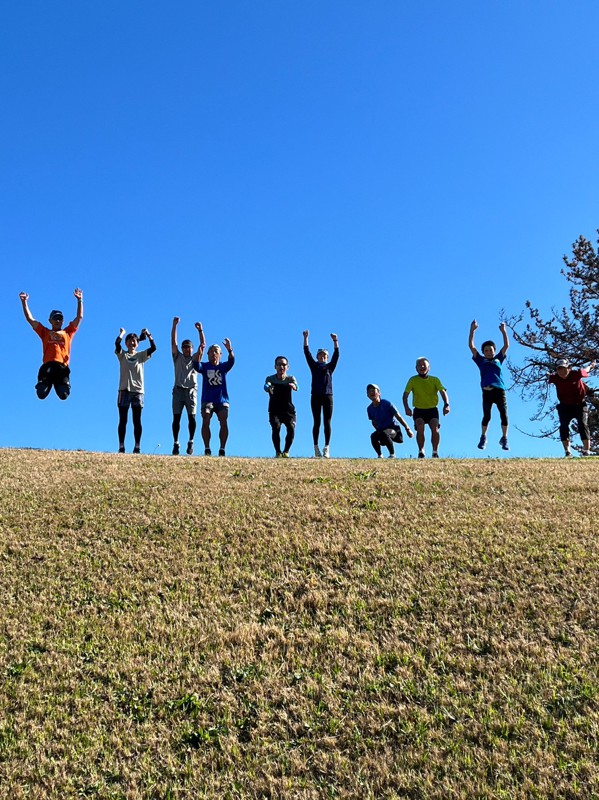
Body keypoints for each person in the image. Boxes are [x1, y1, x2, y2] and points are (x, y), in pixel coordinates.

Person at [19, 289, 83, 400]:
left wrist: (80, 300)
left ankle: (59, 383)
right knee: (41, 394)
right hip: (47, 366)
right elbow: (30, 319)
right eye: (55, 319)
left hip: (61, 367)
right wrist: (24, 302)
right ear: (50, 321)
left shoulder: (68, 332)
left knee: (64, 395)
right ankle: (46, 382)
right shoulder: (45, 332)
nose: (58, 321)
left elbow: (79, 317)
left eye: (60, 319)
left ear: (63, 321)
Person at [469, 320, 510, 451]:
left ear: (494, 350)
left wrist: (504, 331)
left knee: (503, 414)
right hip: (487, 391)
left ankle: (504, 438)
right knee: (487, 415)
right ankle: (483, 437)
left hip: (500, 390)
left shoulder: (498, 358)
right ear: (483, 352)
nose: (488, 352)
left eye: (490, 350)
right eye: (486, 350)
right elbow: (471, 346)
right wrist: (472, 330)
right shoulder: (481, 360)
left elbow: (506, 345)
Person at [115, 327, 156, 453]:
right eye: (130, 341)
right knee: (123, 420)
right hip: (124, 390)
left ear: (137, 344)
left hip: (138, 391)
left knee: (137, 420)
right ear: (126, 343)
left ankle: (137, 446)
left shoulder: (141, 355)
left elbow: (153, 348)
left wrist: (149, 335)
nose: (132, 343)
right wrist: (122, 334)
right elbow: (117, 344)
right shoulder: (122, 355)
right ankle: (121, 446)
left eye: (134, 341)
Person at [193, 338, 235, 456]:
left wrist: (230, 350)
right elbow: (196, 365)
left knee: (223, 419)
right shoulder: (205, 366)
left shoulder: (223, 367)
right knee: (206, 417)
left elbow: (231, 362)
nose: (213, 354)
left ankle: (222, 448)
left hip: (221, 400)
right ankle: (207, 448)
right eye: (211, 351)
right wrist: (199, 351)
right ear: (208, 354)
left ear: (220, 354)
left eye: (216, 351)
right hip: (207, 399)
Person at [403, 357, 450, 459]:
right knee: (420, 427)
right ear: (416, 368)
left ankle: (435, 452)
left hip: (432, 410)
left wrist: (446, 405)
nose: (422, 367)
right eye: (419, 365)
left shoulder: (435, 380)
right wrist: (406, 408)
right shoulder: (413, 380)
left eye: (424, 365)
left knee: (435, 428)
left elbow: (443, 392)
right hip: (419, 410)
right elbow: (405, 395)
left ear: (428, 368)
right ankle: (421, 451)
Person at [548, 357, 596, 457]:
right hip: (565, 406)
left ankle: (586, 451)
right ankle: (567, 451)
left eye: (564, 369)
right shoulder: (554, 378)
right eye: (559, 369)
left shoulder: (576, 374)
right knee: (564, 426)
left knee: (583, 425)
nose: (561, 372)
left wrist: (591, 365)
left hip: (580, 404)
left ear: (569, 368)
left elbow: (586, 370)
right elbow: (550, 376)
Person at [303, 330, 339, 458]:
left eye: (324, 355)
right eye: (320, 355)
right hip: (316, 396)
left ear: (327, 358)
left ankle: (327, 447)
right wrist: (306, 338)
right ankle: (316, 448)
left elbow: (336, 355)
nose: (322, 357)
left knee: (327, 422)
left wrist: (335, 341)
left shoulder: (330, 367)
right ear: (317, 357)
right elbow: (307, 353)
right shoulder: (314, 366)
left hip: (328, 395)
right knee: (316, 422)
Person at [171, 318, 205, 455]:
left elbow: (203, 345)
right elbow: (173, 342)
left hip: (191, 391)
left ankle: (191, 441)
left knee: (192, 418)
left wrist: (200, 330)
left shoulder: (195, 358)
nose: (186, 349)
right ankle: (176, 442)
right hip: (178, 390)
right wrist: (174, 326)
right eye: (184, 347)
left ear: (191, 348)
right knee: (176, 418)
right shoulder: (177, 357)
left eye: (188, 347)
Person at [366, 384, 413, 458]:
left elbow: (398, 416)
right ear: (367, 395)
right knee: (373, 436)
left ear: (379, 393)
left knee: (385, 433)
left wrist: (407, 429)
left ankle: (392, 455)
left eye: (373, 390)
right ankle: (380, 455)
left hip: (394, 429)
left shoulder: (387, 404)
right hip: (382, 429)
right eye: (369, 391)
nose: (371, 392)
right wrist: (378, 430)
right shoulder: (369, 409)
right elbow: (373, 421)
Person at [265, 356, 298, 457]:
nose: (281, 367)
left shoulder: (290, 378)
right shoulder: (270, 378)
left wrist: (293, 386)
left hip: (289, 410)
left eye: (284, 365)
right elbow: (266, 386)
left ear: (287, 367)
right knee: (276, 427)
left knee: (291, 428)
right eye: (279, 364)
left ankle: (286, 451)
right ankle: (278, 452)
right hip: (275, 410)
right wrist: (268, 387)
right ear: (275, 366)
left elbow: (296, 386)